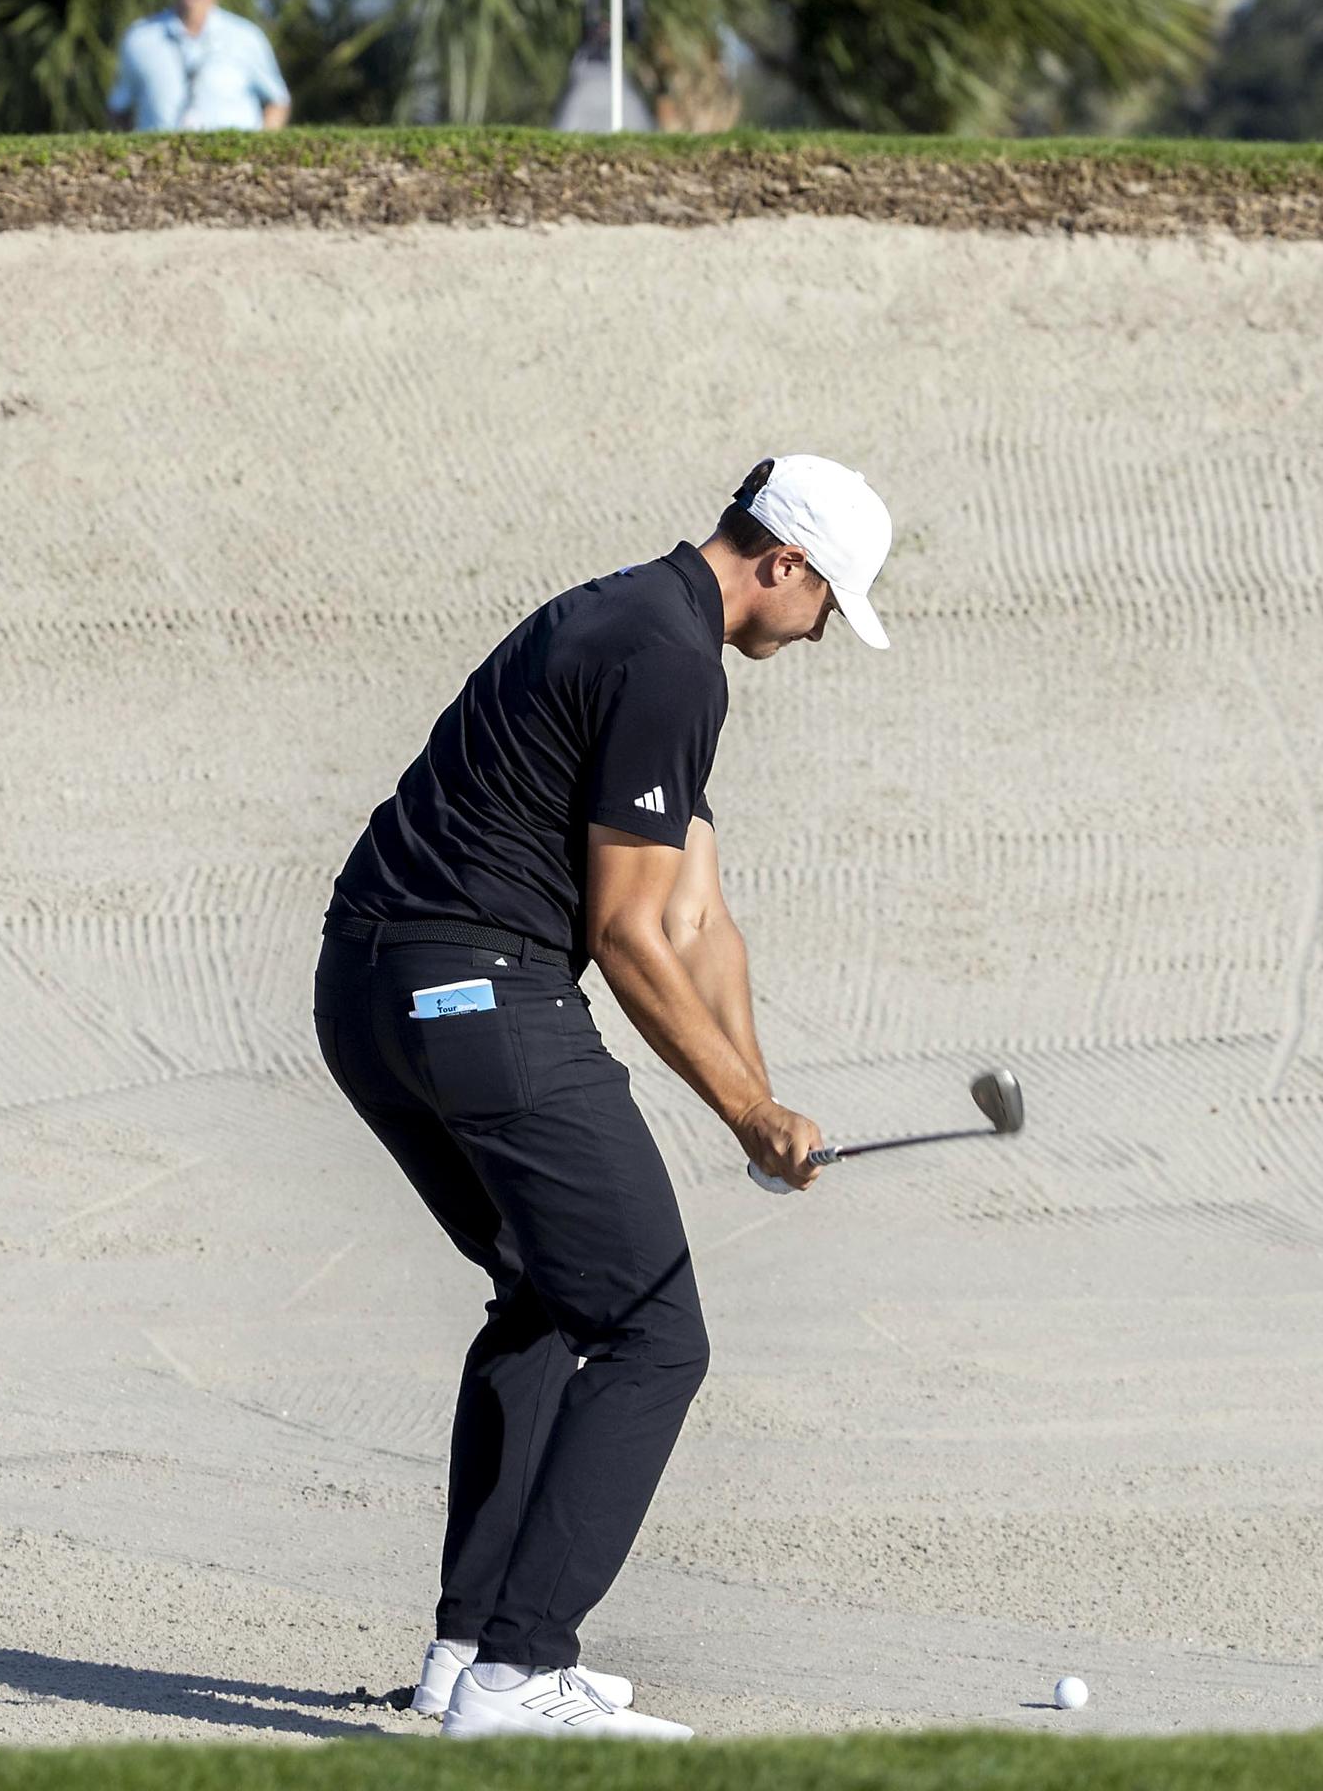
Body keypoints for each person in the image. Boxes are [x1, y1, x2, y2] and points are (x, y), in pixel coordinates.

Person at [315, 455, 894, 1742]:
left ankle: (465, 1654)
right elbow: (633, 940)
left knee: (548, 1289)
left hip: (367, 996)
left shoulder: (627, 613)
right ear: (784, 565)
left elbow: (700, 908)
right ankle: (524, 1676)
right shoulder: (674, 661)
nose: (822, 636)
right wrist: (745, 1114)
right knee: (650, 1329)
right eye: (829, 606)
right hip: (480, 998)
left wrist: (760, 1098)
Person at [109, 0, 291, 132]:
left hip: (234, 163)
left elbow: (278, 102)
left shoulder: (247, 37)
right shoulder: (139, 38)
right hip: (159, 162)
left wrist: (260, 153)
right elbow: (119, 108)